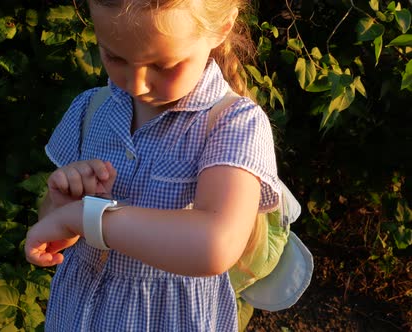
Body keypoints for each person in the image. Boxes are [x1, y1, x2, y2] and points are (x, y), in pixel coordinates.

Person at [24, 0, 284, 330]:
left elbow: (215, 243)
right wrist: (60, 204)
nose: (136, 83)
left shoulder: (231, 123)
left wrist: (87, 217)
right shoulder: (90, 109)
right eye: (115, 57)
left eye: (163, 65)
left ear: (220, 29)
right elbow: (54, 224)